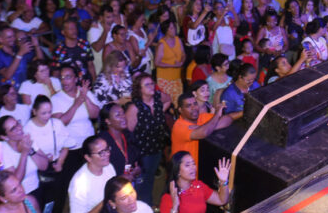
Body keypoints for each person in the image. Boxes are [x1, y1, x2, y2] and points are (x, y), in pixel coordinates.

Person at [23, 95, 74, 213]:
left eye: (50, 112)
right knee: (44, 203)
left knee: (59, 199)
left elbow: (66, 144)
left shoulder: (56, 123)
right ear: (34, 111)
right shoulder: (28, 129)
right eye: (43, 113)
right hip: (39, 172)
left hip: (57, 167)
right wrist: (45, 159)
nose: (47, 116)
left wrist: (60, 162)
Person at [124, 73, 170, 206]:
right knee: (140, 184)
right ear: (139, 89)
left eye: (152, 83)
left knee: (150, 180)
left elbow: (168, 100)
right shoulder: (135, 107)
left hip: (156, 149)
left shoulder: (157, 99)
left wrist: (159, 112)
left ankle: (146, 206)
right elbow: (128, 134)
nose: (151, 86)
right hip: (141, 154)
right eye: (147, 85)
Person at [0, 116, 50, 204]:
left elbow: (44, 166)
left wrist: (30, 150)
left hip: (37, 190)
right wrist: (24, 153)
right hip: (19, 197)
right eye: (13, 128)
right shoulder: (1, 151)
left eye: (18, 123)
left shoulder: (27, 139)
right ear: (4, 137)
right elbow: (16, 180)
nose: (19, 128)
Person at [159, 152, 231, 213]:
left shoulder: (198, 186)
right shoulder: (169, 197)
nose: (193, 167)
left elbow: (221, 200)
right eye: (187, 165)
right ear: (177, 171)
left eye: (193, 163)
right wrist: (175, 206)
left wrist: (223, 182)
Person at [170, 93, 231, 168]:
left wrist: (207, 127)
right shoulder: (178, 126)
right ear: (180, 110)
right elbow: (204, 133)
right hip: (182, 173)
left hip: (197, 168)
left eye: (195, 104)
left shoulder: (202, 117)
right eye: (188, 106)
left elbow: (228, 119)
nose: (193, 108)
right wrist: (217, 115)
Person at [68, 135, 117, 213]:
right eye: (101, 153)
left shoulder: (108, 167)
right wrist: (105, 202)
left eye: (107, 149)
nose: (107, 154)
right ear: (88, 158)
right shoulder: (80, 184)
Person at [98, 103, 141, 182]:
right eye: (118, 115)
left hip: (128, 184)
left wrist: (136, 170)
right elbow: (99, 172)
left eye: (123, 113)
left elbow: (134, 160)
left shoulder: (127, 135)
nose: (123, 117)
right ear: (108, 121)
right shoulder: (102, 142)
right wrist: (119, 178)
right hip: (111, 187)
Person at [154, 20, 186, 106]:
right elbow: (157, 63)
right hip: (165, 80)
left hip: (176, 78)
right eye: (171, 28)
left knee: (178, 102)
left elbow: (183, 54)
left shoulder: (178, 39)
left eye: (174, 27)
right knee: (167, 103)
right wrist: (173, 65)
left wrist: (181, 62)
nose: (174, 30)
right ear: (166, 31)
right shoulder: (162, 44)